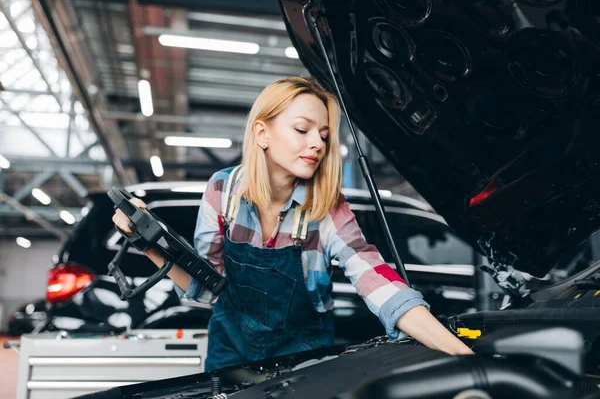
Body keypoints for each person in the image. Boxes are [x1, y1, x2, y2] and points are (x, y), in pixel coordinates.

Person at [112, 76, 473, 371]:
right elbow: (205, 288)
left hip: (304, 356)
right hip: (230, 352)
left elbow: (377, 281)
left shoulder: (327, 208)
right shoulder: (223, 190)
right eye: (303, 129)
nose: (317, 143)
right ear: (262, 133)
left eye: (324, 135)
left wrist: (465, 358)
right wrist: (149, 242)